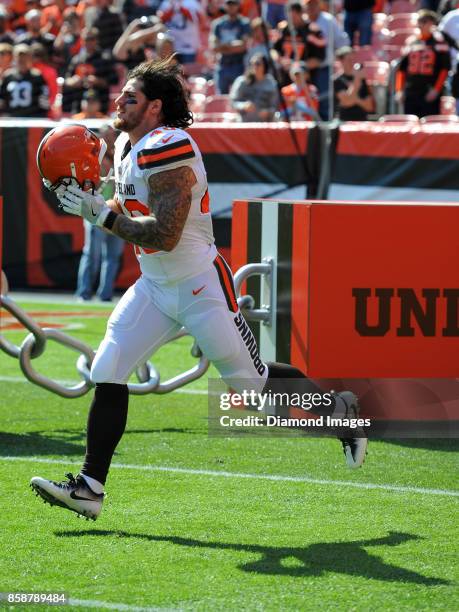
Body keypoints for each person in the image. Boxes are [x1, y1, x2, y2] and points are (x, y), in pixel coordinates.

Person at [31, 57, 367, 521]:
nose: (118, 102)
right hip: (154, 285)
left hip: (197, 287)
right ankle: (90, 488)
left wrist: (101, 215)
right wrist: (96, 201)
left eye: (129, 97)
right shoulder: (131, 146)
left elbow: (164, 233)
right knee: (108, 368)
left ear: (155, 106)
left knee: (253, 389)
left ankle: (340, 411)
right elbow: (129, 202)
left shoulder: (169, 145)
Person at [74, 124, 124, 302]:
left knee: (112, 257)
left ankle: (105, 294)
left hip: (117, 211)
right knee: (91, 255)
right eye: (106, 135)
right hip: (96, 211)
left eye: (112, 135)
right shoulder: (94, 157)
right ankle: (84, 293)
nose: (109, 139)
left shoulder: (121, 155)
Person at [396, 10, 450, 117]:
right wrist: (399, 90)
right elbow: (401, 68)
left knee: (429, 126)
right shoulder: (411, 42)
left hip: (429, 91)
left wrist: (436, 89)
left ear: (432, 23)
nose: (421, 24)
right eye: (419, 21)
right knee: (410, 125)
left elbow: (445, 68)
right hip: (411, 91)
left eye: (424, 21)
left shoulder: (439, 43)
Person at [304, 0, 350, 120]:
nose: (311, 8)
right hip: (307, 71)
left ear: (319, 5)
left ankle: (325, 131)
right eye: (309, 5)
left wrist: (340, 60)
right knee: (308, 101)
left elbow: (342, 42)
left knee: (324, 101)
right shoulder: (304, 22)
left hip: (325, 68)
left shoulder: (328, 20)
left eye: (313, 4)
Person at [209, 0, 251, 94]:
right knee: (221, 97)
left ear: (238, 6)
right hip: (222, 65)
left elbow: (242, 46)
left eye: (234, 4)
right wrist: (231, 46)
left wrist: (223, 47)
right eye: (229, 4)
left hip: (239, 65)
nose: (231, 7)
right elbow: (214, 47)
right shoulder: (218, 24)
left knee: (239, 96)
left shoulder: (244, 23)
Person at [0, 44, 49, 117]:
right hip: (11, 118)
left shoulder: (37, 76)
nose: (21, 60)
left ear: (29, 58)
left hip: (32, 118)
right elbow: (2, 98)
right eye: (19, 57)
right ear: (14, 58)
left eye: (24, 57)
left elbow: (44, 100)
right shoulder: (8, 76)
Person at [230, 53, 279, 120]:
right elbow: (233, 103)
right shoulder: (242, 82)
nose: (254, 66)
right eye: (251, 64)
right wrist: (243, 106)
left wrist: (268, 112)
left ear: (265, 66)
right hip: (244, 124)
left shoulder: (271, 83)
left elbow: (275, 106)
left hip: (265, 125)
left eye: (257, 63)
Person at [334, 46, 374, 120]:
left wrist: (355, 99)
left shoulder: (362, 79)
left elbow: (370, 106)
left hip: (361, 122)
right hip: (345, 123)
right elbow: (346, 102)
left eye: (353, 60)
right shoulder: (336, 80)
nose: (351, 63)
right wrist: (357, 80)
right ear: (341, 61)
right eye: (349, 60)